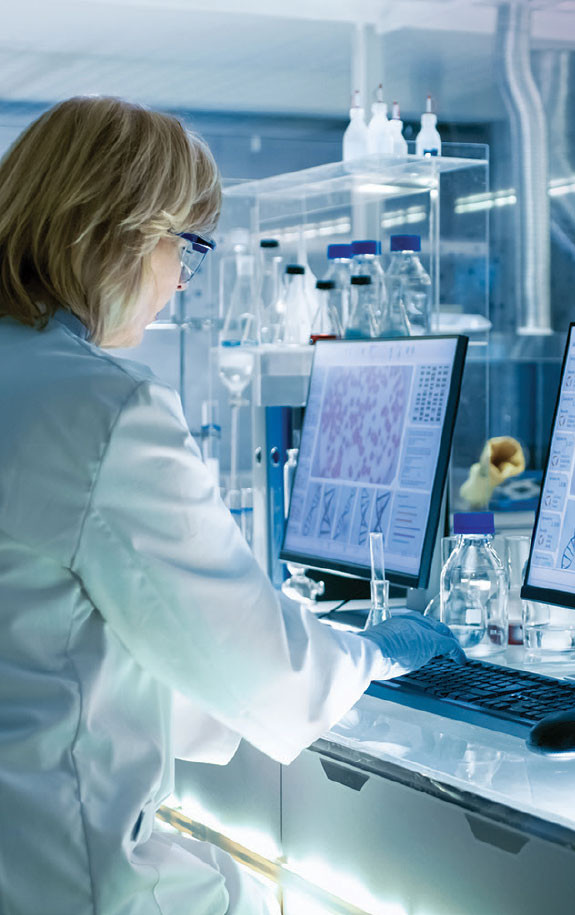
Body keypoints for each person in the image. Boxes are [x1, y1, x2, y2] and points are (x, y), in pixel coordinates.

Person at [0, 96, 464, 915]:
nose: (183, 278)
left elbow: (58, 636)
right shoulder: (103, 409)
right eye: (188, 248)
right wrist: (375, 653)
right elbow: (265, 672)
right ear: (121, 228)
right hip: (66, 876)